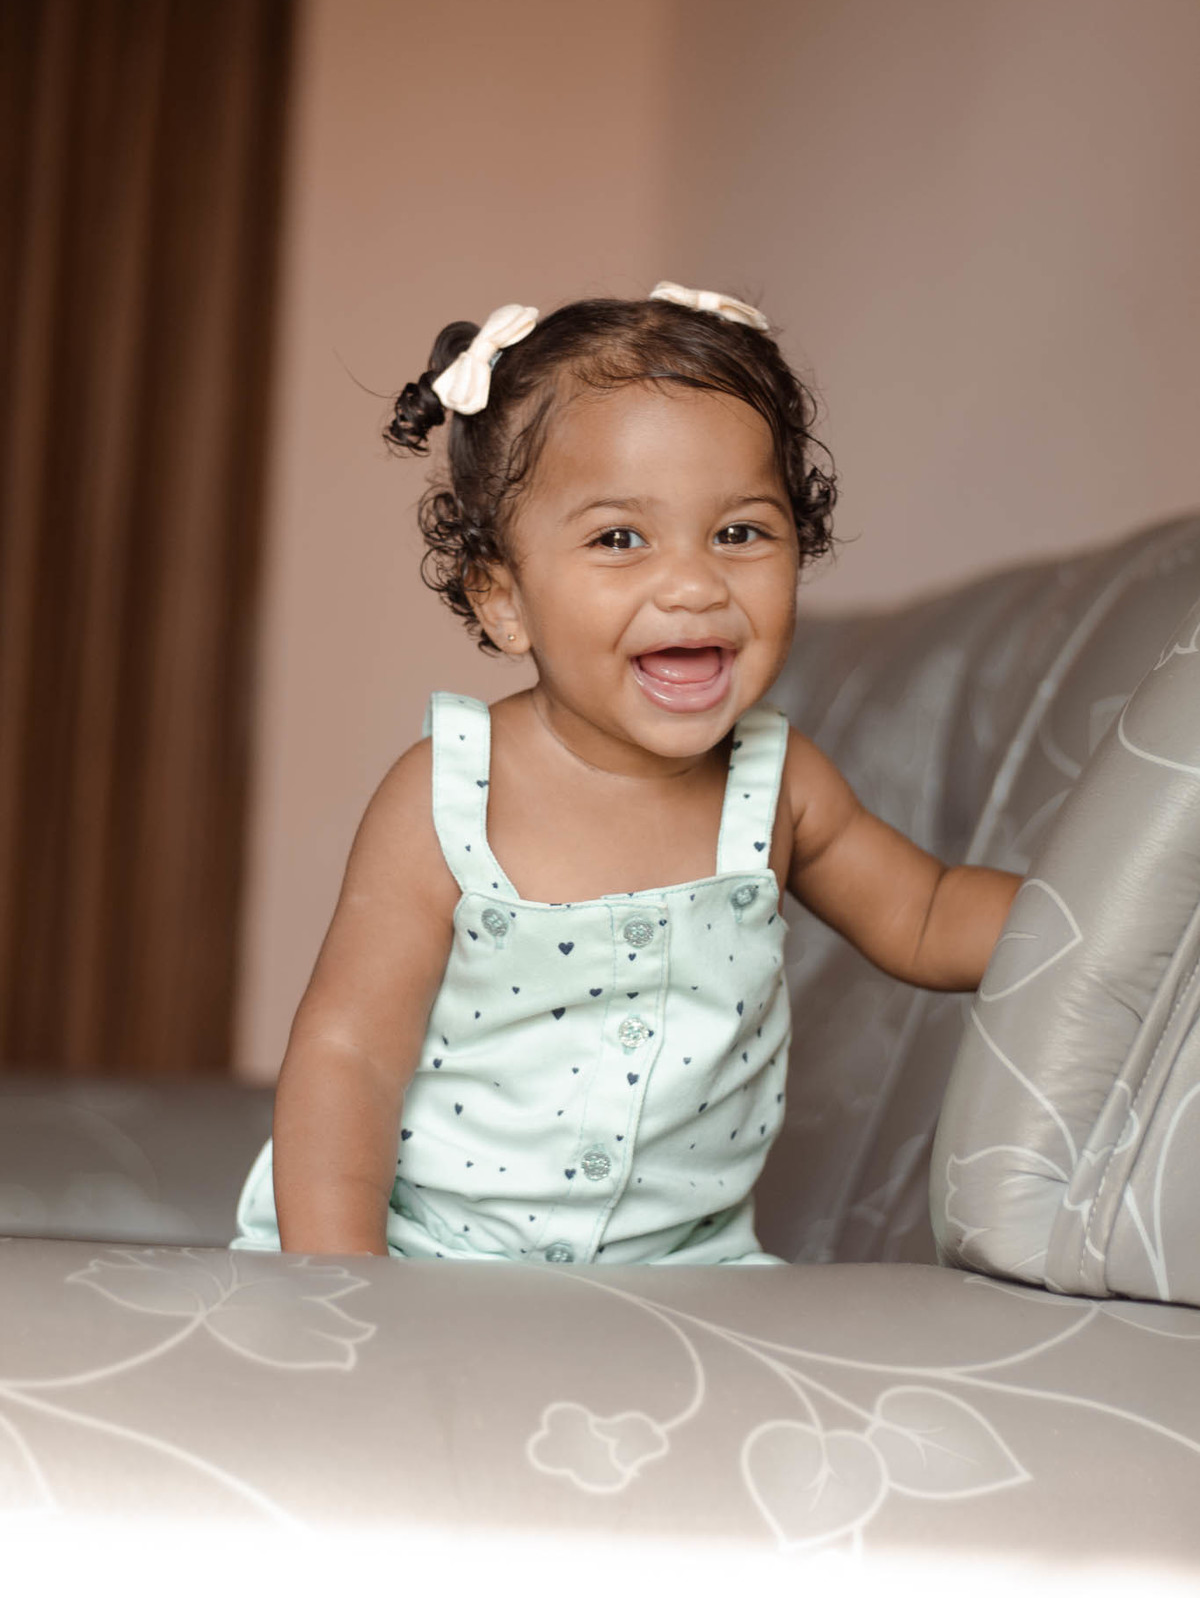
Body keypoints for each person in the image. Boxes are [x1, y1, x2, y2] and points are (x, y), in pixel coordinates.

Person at [233, 283, 1019, 1266]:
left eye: (740, 531)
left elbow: (932, 914)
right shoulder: (449, 793)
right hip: (425, 1253)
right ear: (504, 598)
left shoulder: (776, 785)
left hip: (688, 1274)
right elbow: (348, 1056)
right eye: (620, 538)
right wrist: (348, 1284)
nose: (693, 583)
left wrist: (1112, 920)